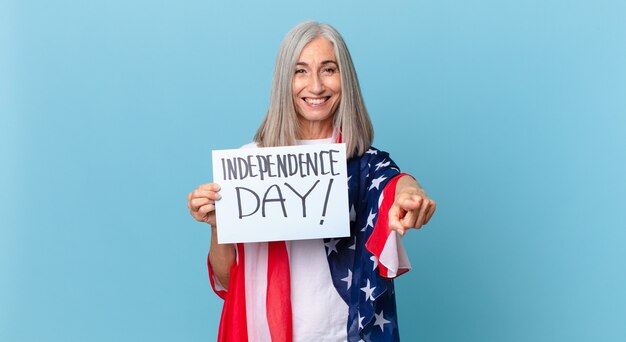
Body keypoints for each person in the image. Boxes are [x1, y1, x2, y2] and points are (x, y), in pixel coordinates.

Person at [187, 21, 436, 342]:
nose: (315, 86)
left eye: (328, 69)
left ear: (346, 78)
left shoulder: (364, 163)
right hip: (269, 332)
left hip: (346, 333)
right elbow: (228, 279)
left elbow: (397, 184)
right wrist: (218, 225)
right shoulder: (250, 163)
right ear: (284, 81)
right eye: (301, 71)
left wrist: (411, 196)